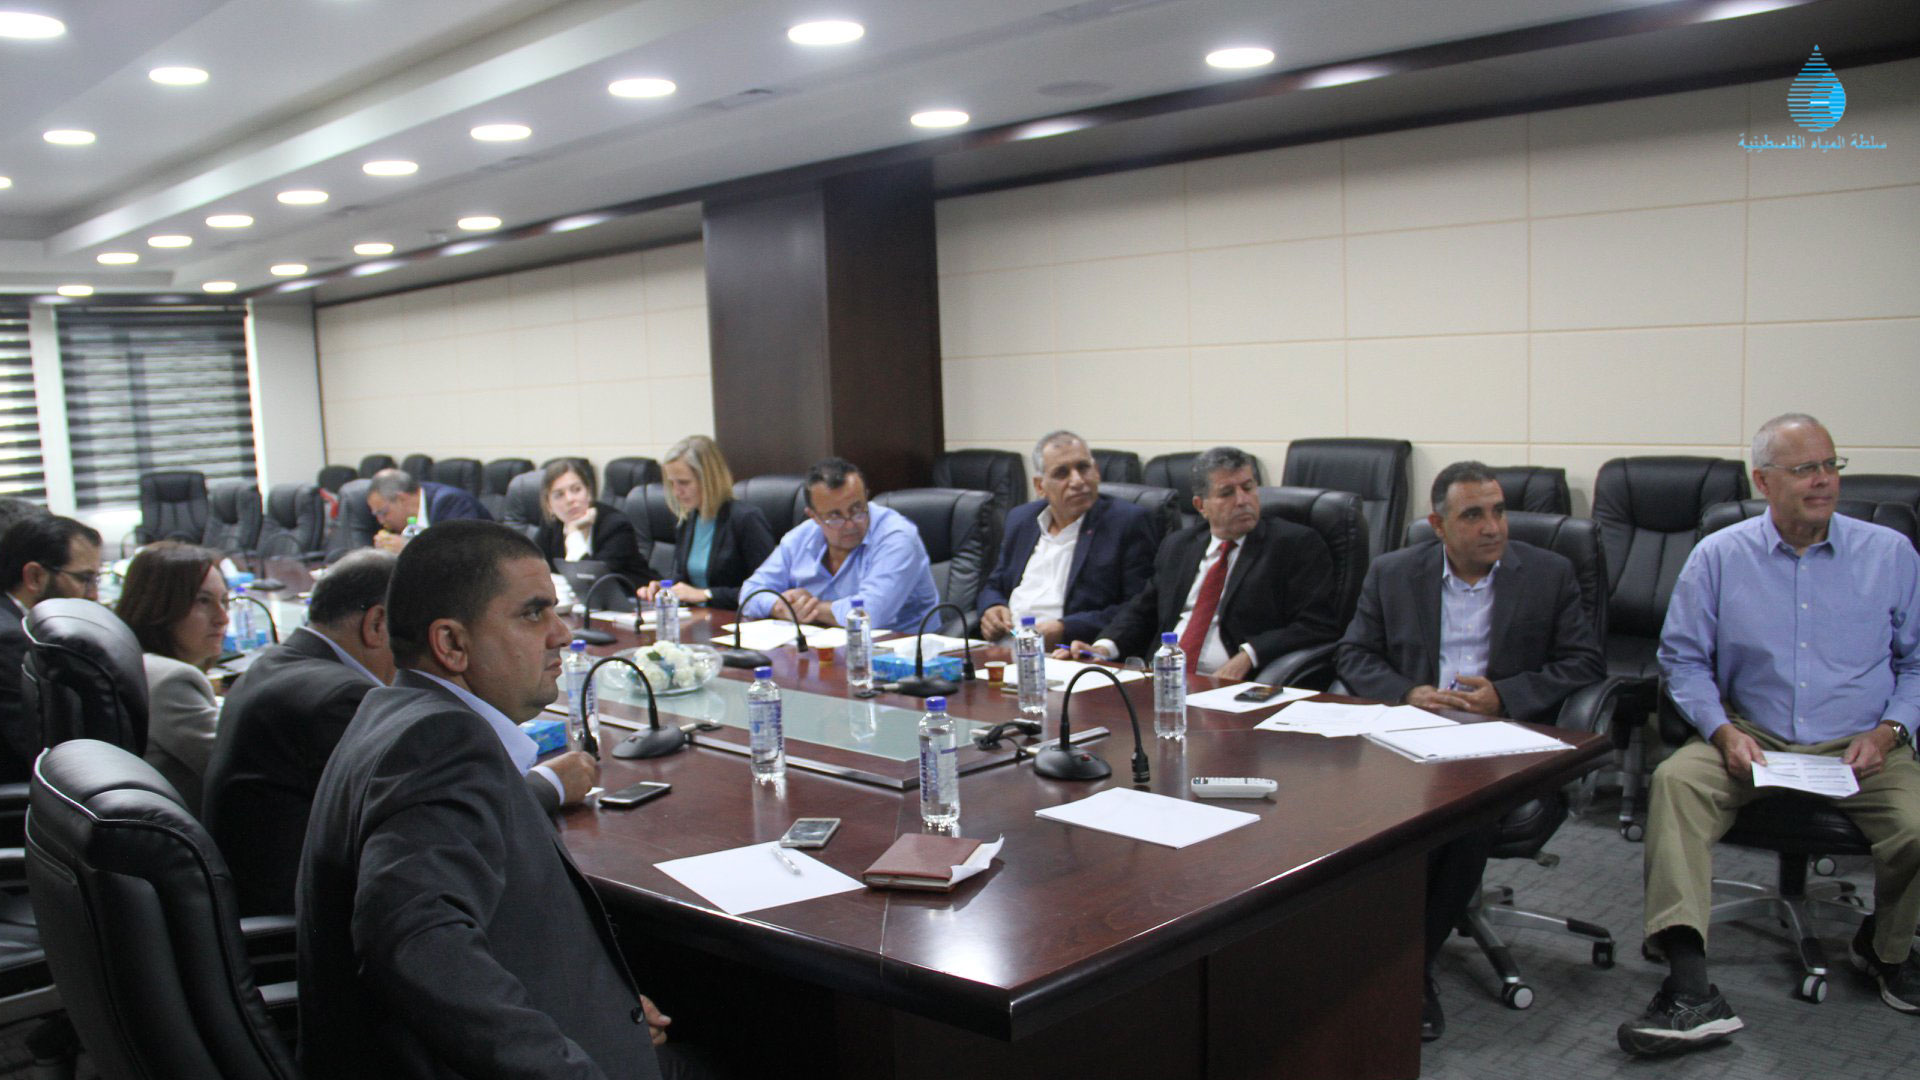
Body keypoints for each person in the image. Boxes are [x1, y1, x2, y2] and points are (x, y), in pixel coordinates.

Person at [298, 520, 706, 1079]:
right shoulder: (440, 744)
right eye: (533, 614)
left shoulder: (393, 713)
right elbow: (413, 945)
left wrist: (606, 1009)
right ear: (452, 644)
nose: (561, 633)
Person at [1619, 414, 1920, 1057]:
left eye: (1831, 466)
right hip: (1750, 733)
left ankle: (1885, 948)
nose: (1824, 481)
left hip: (1861, 740)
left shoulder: (1890, 554)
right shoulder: (1719, 555)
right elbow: (1683, 661)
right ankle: (1690, 987)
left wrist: (1890, 730)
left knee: (1917, 824)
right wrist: (1721, 731)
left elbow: (1917, 663)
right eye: (1805, 469)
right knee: (1675, 783)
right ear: (1763, 482)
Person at [1336, 461, 1604, 1040]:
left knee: (1463, 816)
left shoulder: (1549, 574)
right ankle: (1355, 952)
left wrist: (1504, 695)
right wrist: (1408, 691)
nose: (1492, 527)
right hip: (1412, 733)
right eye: (1473, 515)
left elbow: (1584, 663)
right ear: (1438, 525)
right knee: (1361, 808)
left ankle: (1412, 969)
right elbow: (1354, 654)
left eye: (1499, 511)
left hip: (1503, 742)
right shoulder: (1392, 573)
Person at [203, 548, 600, 916]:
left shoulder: (276, 664)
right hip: (299, 920)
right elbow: (449, 816)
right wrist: (550, 784)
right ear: (379, 624)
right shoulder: (341, 699)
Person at [1063, 446, 1341, 679]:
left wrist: (1249, 655)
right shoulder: (1179, 546)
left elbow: (1317, 624)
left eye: (1248, 488)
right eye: (1227, 493)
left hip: (1239, 684)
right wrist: (1104, 647)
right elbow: (1143, 610)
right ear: (1200, 506)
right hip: (1163, 680)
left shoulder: (1294, 544)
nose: (1242, 500)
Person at [976, 431, 1156, 649]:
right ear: (1040, 486)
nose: (1077, 481)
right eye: (1062, 473)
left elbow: (1137, 608)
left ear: (1096, 471)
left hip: (1068, 650)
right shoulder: (1021, 520)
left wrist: (1066, 628)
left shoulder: (1126, 522)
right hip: (1004, 646)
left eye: (1083, 468)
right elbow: (994, 584)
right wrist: (992, 606)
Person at [736, 457, 938, 633]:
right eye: (835, 516)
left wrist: (807, 609)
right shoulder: (800, 538)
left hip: (901, 652)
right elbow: (750, 592)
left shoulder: (897, 537)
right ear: (813, 516)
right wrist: (779, 606)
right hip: (825, 649)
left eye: (857, 510)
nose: (850, 524)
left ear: (866, 497)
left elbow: (870, 614)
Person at [116, 541, 229, 811]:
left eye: (225, 601)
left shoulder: (135, 659)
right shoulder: (171, 681)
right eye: (203, 601)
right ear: (159, 606)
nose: (222, 618)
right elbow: (243, 771)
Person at [0, 514, 102, 782]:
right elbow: (41, 750)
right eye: (84, 579)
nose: (94, 595)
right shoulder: (10, 640)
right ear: (35, 577)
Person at [638, 435, 776, 611]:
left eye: (684, 483)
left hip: (735, 619)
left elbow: (767, 590)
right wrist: (664, 588)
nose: (677, 492)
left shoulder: (746, 519)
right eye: (672, 483)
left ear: (709, 480)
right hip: (697, 617)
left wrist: (706, 594)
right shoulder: (688, 520)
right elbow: (684, 581)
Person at [532, 458, 652, 581]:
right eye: (559, 495)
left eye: (576, 489)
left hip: (635, 591)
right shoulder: (551, 525)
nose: (569, 499)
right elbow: (533, 569)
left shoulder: (616, 526)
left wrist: (573, 534)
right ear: (549, 506)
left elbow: (592, 580)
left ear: (589, 493)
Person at [366, 467, 491, 551]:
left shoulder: (450, 502)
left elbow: (461, 552)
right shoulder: (396, 522)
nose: (380, 520)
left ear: (401, 499)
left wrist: (408, 548)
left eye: (382, 512)